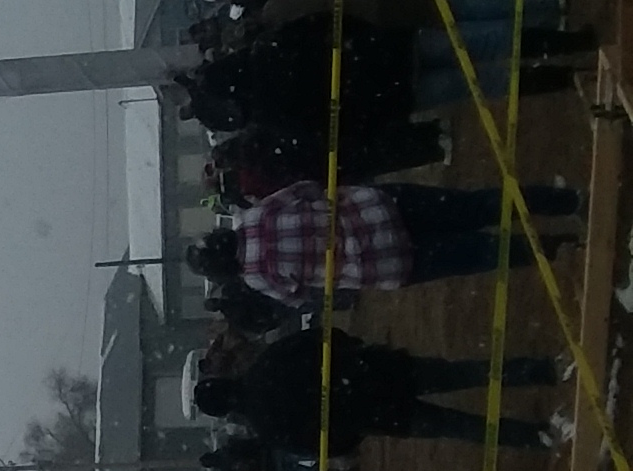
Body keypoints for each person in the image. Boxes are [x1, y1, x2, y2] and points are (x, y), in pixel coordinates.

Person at [185, 179, 582, 308]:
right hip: (377, 210)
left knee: (479, 253)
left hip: (385, 261)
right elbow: (306, 188)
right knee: (474, 206)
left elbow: (303, 296)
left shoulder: (258, 278)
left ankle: (559, 247)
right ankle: (564, 201)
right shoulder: (255, 217)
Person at [189, 327, 567, 452]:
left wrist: (354, 430)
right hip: (379, 372)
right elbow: (322, 338)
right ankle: (540, 370)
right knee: (466, 373)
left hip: (378, 416)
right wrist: (354, 350)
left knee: (460, 427)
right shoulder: (267, 363)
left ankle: (534, 436)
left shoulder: (267, 428)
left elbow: (324, 447)